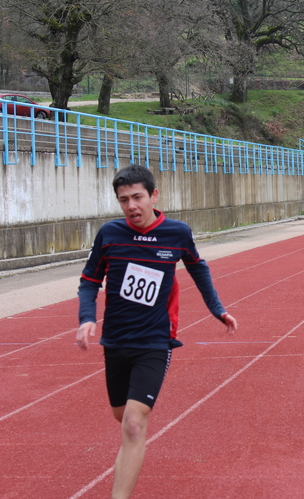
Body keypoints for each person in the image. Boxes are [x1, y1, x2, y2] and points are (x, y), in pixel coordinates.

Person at [75, 164, 238, 499]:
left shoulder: (176, 233)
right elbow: (90, 280)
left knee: (134, 423)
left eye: (137, 197)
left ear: (153, 196)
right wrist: (86, 317)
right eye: (124, 200)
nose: (131, 206)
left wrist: (217, 309)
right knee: (122, 417)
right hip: (116, 340)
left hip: (154, 340)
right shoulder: (110, 234)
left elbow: (198, 268)